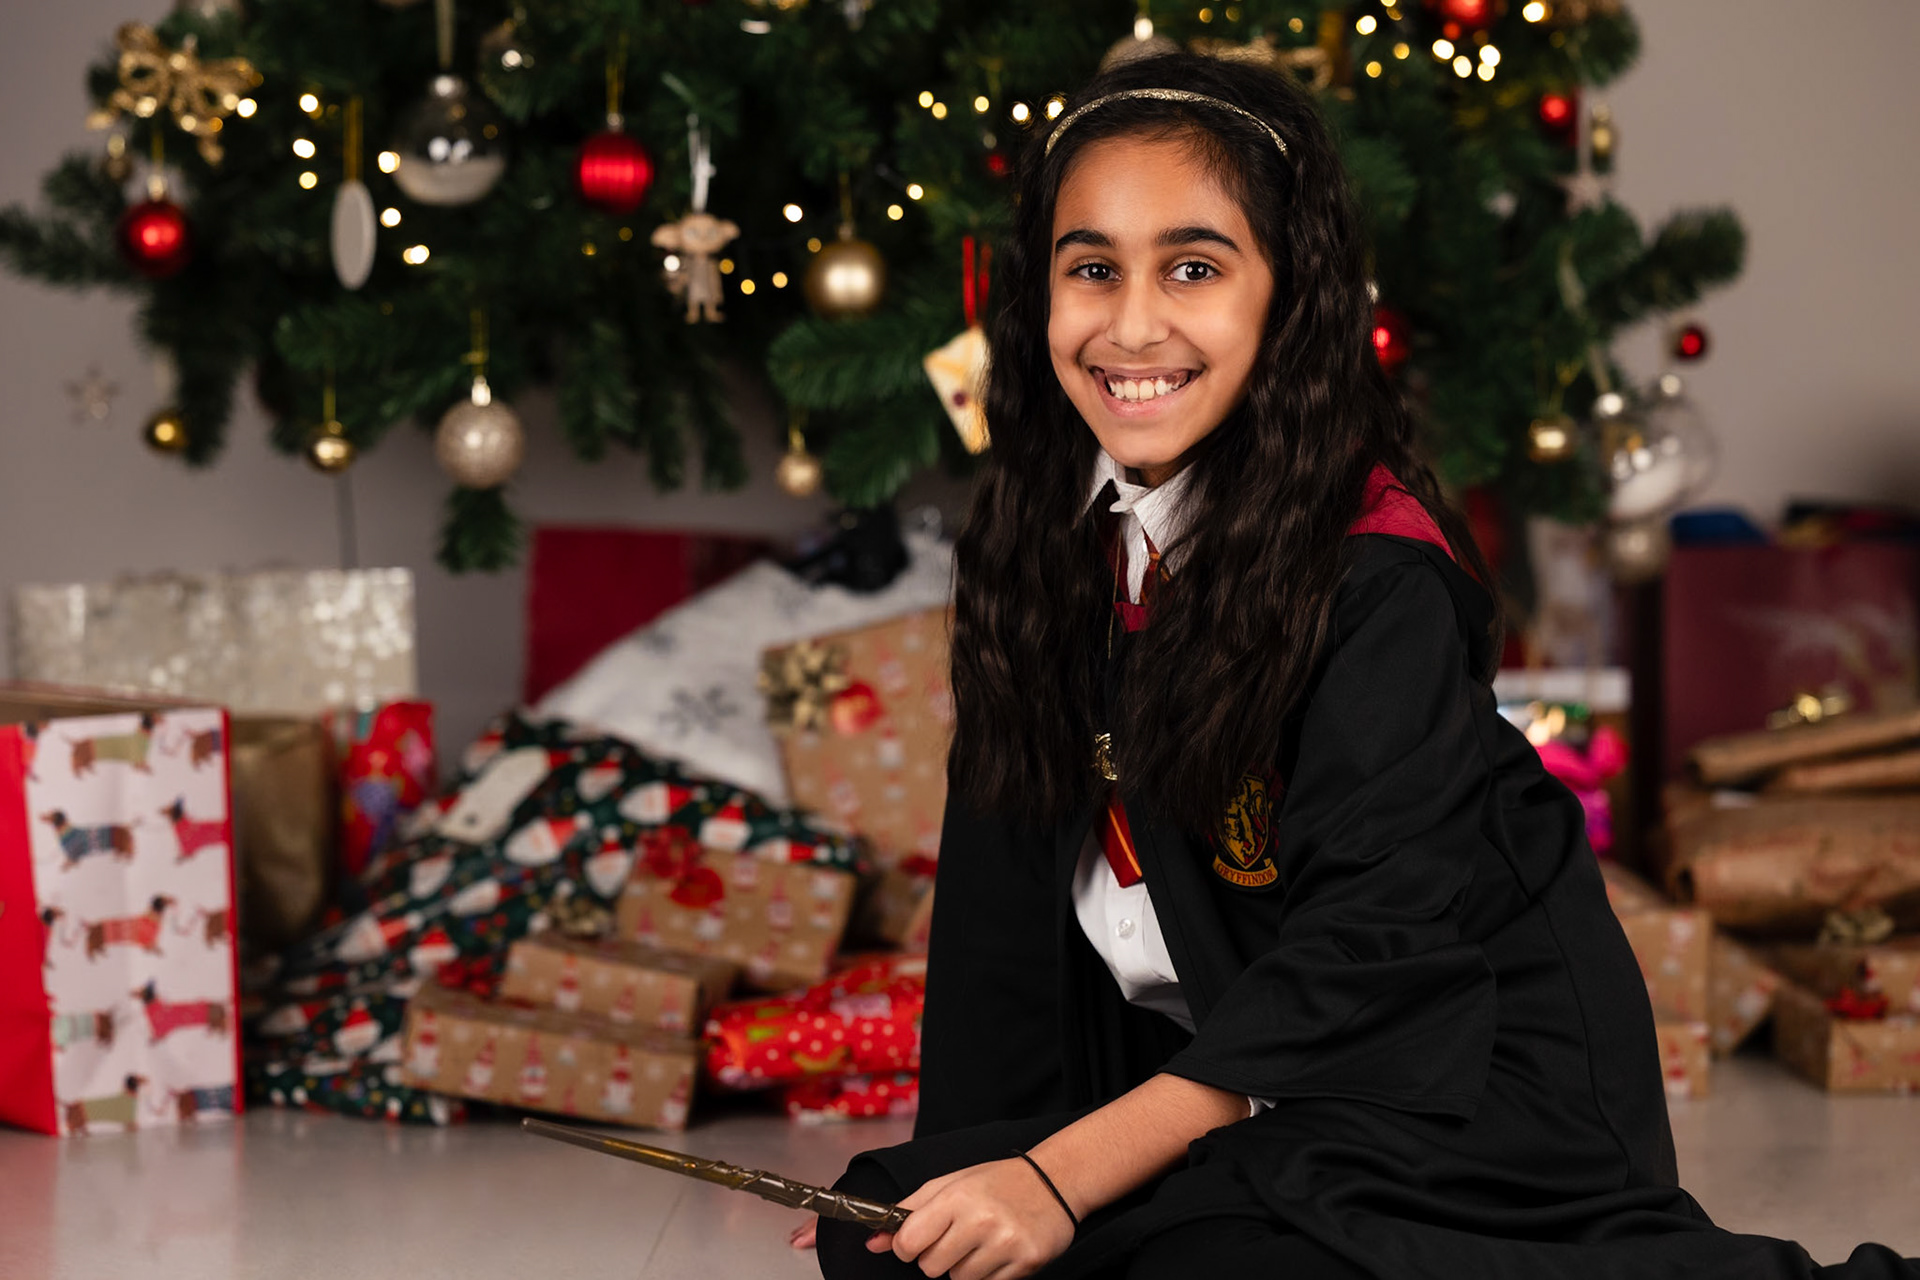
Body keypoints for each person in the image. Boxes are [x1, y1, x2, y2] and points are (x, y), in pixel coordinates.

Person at [808, 52, 1918, 1280]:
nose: (1131, 325)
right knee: (886, 1229)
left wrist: (1061, 1178)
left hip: (1451, 1087)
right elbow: (1000, 938)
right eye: (1092, 268)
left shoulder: (1376, 572)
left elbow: (1368, 958)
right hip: (1230, 1088)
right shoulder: (1044, 544)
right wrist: (976, 1177)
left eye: (1193, 267)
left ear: (1289, 294)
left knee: (1211, 1267)